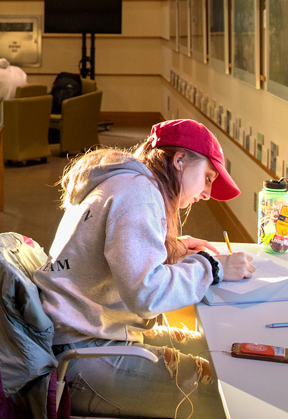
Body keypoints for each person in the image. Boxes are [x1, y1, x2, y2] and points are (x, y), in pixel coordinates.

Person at [31, 119, 255, 418]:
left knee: (223, 351)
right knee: (227, 390)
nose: (206, 193)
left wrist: (172, 246)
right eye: (207, 177)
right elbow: (147, 295)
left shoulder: (127, 182)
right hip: (83, 356)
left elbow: (120, 252)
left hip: (86, 336)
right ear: (179, 160)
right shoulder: (137, 193)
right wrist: (212, 267)